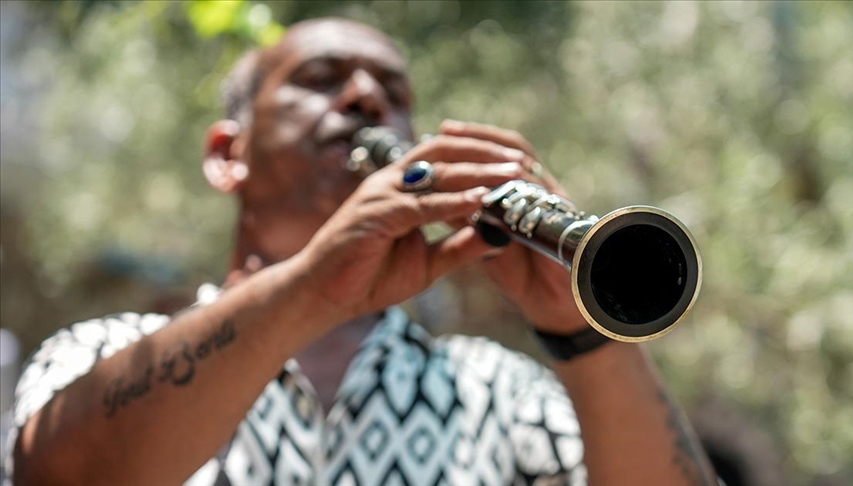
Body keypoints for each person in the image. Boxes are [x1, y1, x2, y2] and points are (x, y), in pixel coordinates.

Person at [4, 18, 718, 486]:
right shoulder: (105, 352)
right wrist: (312, 286)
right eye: (321, 79)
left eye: (394, 92)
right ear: (229, 155)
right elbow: (56, 476)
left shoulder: (497, 390)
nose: (366, 97)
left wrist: (581, 329)